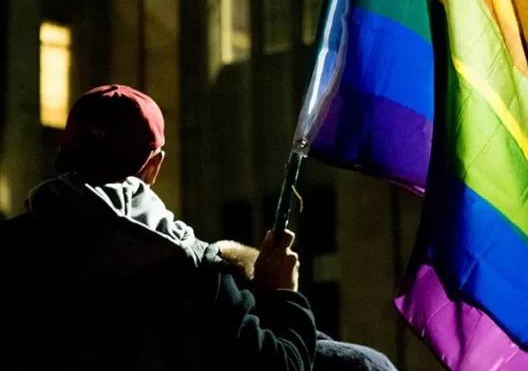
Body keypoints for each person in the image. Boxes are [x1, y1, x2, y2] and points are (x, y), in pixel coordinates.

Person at [0, 84, 316, 370]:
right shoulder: (196, 268)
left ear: (63, 156)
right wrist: (281, 294)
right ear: (154, 166)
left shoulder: (8, 250)